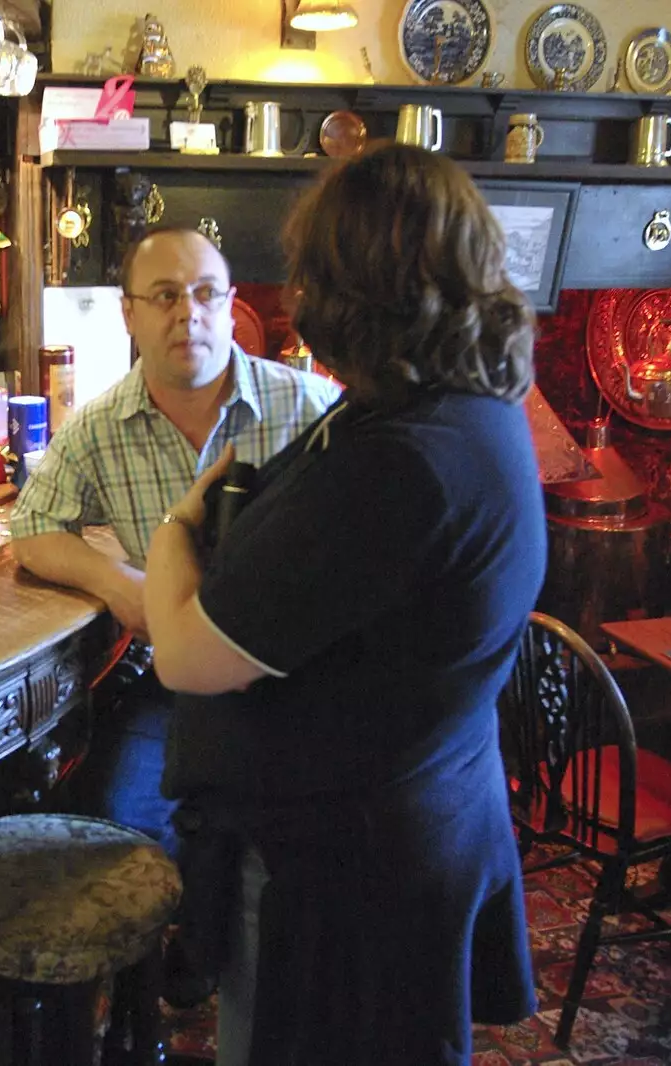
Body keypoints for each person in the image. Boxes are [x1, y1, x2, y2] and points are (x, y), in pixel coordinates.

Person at [143, 144, 545, 1064]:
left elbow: (188, 657)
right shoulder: (459, 404)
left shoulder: (404, 461)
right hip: (413, 808)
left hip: (350, 862)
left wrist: (175, 532)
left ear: (352, 287)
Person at [9, 225, 341, 858]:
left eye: (206, 293)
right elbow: (32, 526)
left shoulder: (312, 408)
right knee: (118, 825)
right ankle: (178, 952)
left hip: (297, 675)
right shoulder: (101, 427)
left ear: (230, 303)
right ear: (128, 313)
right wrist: (117, 584)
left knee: (299, 834)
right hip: (180, 682)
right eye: (164, 296)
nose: (188, 313)